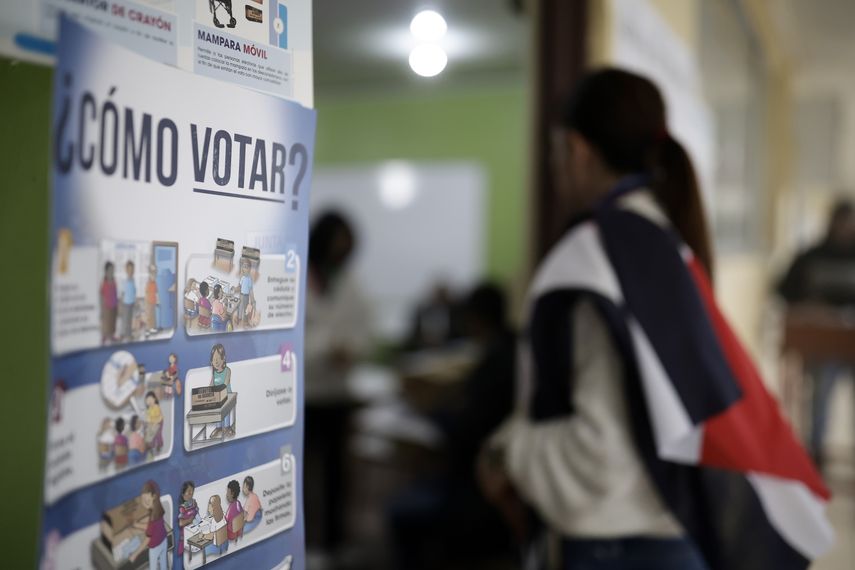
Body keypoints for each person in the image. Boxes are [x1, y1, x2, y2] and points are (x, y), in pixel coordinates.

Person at [478, 68, 831, 570]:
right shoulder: (663, 242)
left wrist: (504, 452)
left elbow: (597, 459)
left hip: (616, 547)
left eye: (555, 153)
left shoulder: (595, 258)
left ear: (577, 151)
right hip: (674, 536)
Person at [388, 282, 517, 569]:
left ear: (474, 318)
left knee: (403, 511)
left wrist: (434, 414)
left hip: (475, 489)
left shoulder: (494, 366)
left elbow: (467, 428)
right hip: (492, 486)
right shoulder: (512, 352)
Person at [304, 211, 372, 553]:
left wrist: (351, 350)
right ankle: (304, 543)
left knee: (336, 477)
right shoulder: (301, 278)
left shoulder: (348, 283)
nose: (341, 251)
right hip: (306, 395)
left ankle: (334, 543)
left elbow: (363, 330)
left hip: (337, 394)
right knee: (302, 475)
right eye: (337, 242)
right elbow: (293, 337)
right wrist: (327, 348)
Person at [778, 199, 855, 468]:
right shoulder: (811, 256)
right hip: (822, 342)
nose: (846, 228)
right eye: (841, 222)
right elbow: (783, 290)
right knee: (821, 388)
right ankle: (816, 449)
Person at [129, 480, 169, 569]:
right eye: (143, 501)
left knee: (153, 567)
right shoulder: (158, 509)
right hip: (163, 541)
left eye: (147, 501)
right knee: (163, 565)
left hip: (155, 548)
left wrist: (134, 555)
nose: (144, 504)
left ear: (154, 496)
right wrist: (137, 525)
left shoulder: (153, 518)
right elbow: (152, 528)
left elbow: (147, 539)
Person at [210, 343, 234, 436]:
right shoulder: (214, 373)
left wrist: (218, 391)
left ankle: (227, 427)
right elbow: (211, 385)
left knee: (226, 410)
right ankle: (218, 427)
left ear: (223, 358)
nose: (215, 361)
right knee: (217, 410)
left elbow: (226, 383)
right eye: (214, 359)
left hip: (227, 396)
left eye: (218, 358)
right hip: (218, 398)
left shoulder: (227, 370)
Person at [177, 481, 200, 557]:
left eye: (192, 492)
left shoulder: (194, 502)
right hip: (185, 535)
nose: (191, 494)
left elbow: (196, 512)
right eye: (189, 492)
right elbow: (180, 523)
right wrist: (189, 520)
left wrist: (198, 517)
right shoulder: (182, 508)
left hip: (194, 530)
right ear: (183, 494)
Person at [100, 261, 118, 344]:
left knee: (112, 322)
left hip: (114, 305)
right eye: (110, 269)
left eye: (113, 270)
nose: (112, 271)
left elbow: (115, 293)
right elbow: (101, 294)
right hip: (106, 306)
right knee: (106, 322)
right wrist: (102, 307)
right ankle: (104, 336)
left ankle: (112, 335)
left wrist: (117, 304)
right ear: (106, 271)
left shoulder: (114, 281)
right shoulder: (104, 282)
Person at [144, 391, 164, 456]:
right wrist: (148, 422)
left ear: (154, 399)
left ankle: (159, 445)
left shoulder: (156, 407)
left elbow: (159, 418)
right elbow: (148, 417)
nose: (149, 401)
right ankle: (151, 446)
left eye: (150, 399)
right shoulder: (149, 409)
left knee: (158, 434)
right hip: (152, 423)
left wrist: (155, 424)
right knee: (150, 434)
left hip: (159, 421)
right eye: (147, 400)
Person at [122, 260, 136, 341]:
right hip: (126, 303)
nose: (131, 271)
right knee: (126, 320)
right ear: (126, 270)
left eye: (132, 269)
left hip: (131, 302)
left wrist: (135, 299)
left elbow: (133, 290)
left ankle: (129, 334)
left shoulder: (133, 279)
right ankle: (126, 335)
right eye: (129, 269)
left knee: (130, 320)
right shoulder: (125, 280)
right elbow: (123, 292)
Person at [146, 264, 158, 334]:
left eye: (155, 272)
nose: (154, 274)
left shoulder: (154, 282)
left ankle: (152, 328)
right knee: (149, 315)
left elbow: (156, 291)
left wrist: (157, 300)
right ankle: (148, 329)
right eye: (153, 272)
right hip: (149, 301)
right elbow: (147, 292)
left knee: (153, 315)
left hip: (153, 301)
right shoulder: (149, 282)